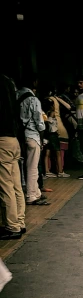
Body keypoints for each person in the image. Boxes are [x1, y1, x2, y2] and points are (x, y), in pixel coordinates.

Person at [0, 72, 26, 239]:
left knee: (5, 185)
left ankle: (12, 225)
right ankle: (20, 222)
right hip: (13, 140)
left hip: (2, 141)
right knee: (16, 185)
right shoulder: (10, 89)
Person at [17, 77, 48, 205]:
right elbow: (39, 122)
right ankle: (31, 195)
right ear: (34, 82)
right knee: (32, 167)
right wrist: (41, 138)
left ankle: (36, 192)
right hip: (32, 135)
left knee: (25, 165)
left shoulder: (16, 95)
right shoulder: (33, 99)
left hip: (19, 135)